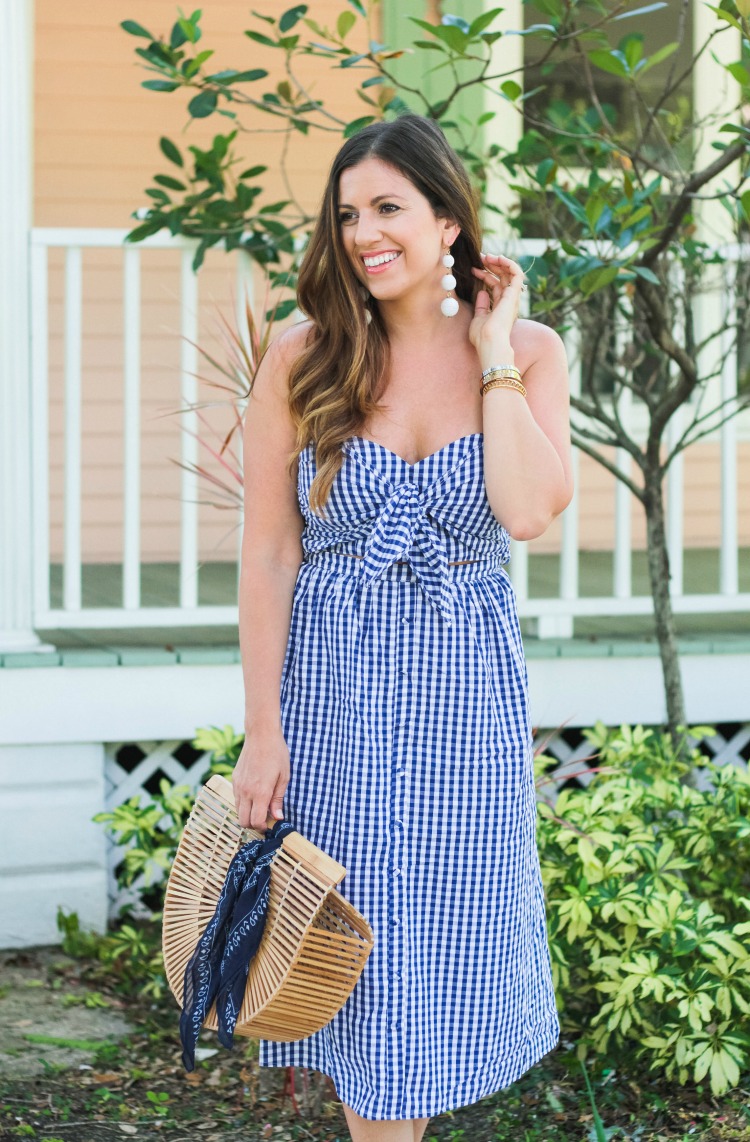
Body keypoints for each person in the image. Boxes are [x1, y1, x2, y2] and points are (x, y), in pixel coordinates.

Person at [233, 113, 573, 1142]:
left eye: (389, 208)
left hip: (461, 697)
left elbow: (523, 510)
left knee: (449, 939)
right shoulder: (305, 353)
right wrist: (261, 727)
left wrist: (490, 354)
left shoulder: (529, 351)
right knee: (349, 941)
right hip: (332, 691)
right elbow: (269, 552)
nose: (364, 233)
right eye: (347, 214)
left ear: (448, 218)